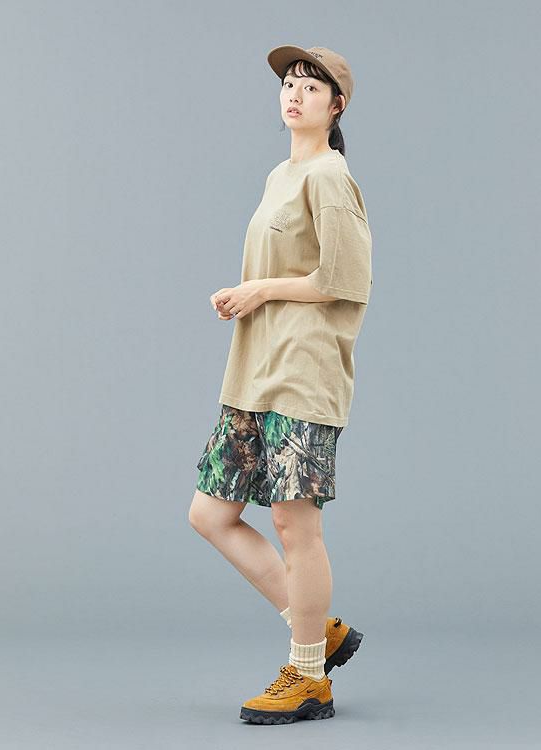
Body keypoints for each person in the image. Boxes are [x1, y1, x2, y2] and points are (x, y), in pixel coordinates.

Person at [188, 44, 372, 724]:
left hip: (303, 370)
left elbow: (345, 280)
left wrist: (259, 290)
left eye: (311, 87)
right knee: (210, 514)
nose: (294, 94)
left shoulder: (330, 176)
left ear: (336, 106)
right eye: (289, 83)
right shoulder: (280, 174)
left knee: (295, 523)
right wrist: (247, 294)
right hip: (254, 371)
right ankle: (316, 628)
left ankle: (309, 679)